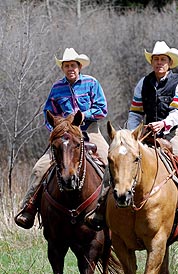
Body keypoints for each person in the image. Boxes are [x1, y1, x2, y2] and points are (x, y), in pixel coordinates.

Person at [87, 40, 178, 234]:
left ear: (169, 62)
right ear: (152, 62)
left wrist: (163, 124)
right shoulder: (143, 83)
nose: (159, 63)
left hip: (172, 134)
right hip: (144, 135)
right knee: (114, 166)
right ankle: (100, 210)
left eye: (163, 59)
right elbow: (135, 112)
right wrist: (131, 135)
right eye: (155, 59)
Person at [15, 47, 109, 229]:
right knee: (39, 168)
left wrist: (81, 115)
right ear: (63, 68)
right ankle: (28, 208)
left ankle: (110, 209)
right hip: (64, 135)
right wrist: (58, 130)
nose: (70, 69)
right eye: (66, 66)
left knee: (109, 162)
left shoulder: (91, 83)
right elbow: (48, 113)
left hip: (90, 130)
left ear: (79, 66)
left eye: (73, 65)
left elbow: (102, 108)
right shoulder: (57, 88)